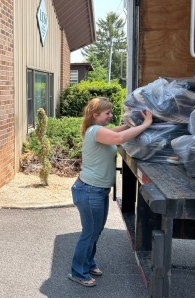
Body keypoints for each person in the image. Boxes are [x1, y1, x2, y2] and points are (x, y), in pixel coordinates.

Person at [68, 97, 152, 287]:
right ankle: (77, 272)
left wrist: (127, 124)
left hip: (97, 191)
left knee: (95, 231)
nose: (110, 116)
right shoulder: (95, 131)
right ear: (95, 115)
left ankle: (88, 263)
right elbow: (119, 138)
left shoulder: (98, 131)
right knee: (89, 233)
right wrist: (146, 124)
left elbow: (116, 132)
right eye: (107, 113)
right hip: (89, 191)